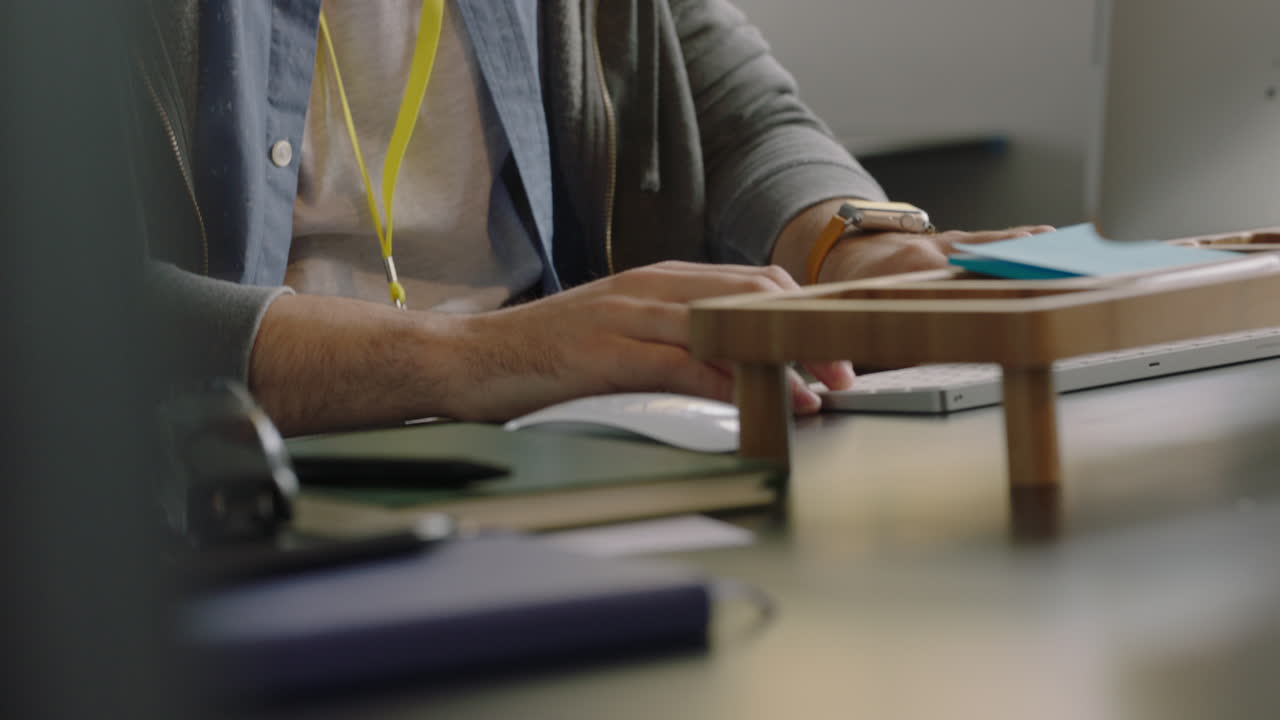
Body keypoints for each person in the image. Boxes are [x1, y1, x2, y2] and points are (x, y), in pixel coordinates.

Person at [141, 0, 1047, 436]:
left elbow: (729, 105)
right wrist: (478, 356)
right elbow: (72, 313)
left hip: (553, 442)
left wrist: (853, 248)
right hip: (220, 487)